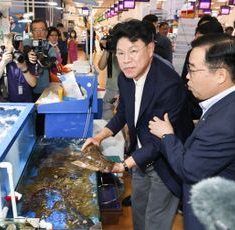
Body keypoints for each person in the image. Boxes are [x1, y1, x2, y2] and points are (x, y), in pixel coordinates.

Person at [82, 19, 193, 230]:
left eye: (133, 51)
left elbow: (160, 140)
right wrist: (99, 137)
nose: (126, 61)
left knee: (155, 222)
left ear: (150, 48)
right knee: (139, 214)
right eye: (120, 53)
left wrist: (123, 166)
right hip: (140, 158)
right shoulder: (126, 78)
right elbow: (123, 113)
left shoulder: (169, 86)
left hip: (166, 162)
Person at [148, 33, 235, 230]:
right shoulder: (228, 103)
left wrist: (167, 135)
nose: (187, 77)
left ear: (221, 75)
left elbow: (188, 169)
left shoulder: (225, 123)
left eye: (192, 70)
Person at [0, 34, 37, 102]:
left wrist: (25, 69)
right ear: (5, 45)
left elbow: (33, 83)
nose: (18, 46)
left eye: (20, 42)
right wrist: (3, 62)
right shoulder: (1, 59)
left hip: (27, 101)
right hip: (8, 103)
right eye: (15, 43)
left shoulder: (27, 58)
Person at [23, 18, 56, 102]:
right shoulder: (28, 42)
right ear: (32, 32)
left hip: (44, 87)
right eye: (35, 30)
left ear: (46, 32)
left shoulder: (49, 47)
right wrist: (28, 53)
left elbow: (53, 61)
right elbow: (26, 47)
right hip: (27, 88)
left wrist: (46, 60)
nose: (39, 33)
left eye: (41, 29)